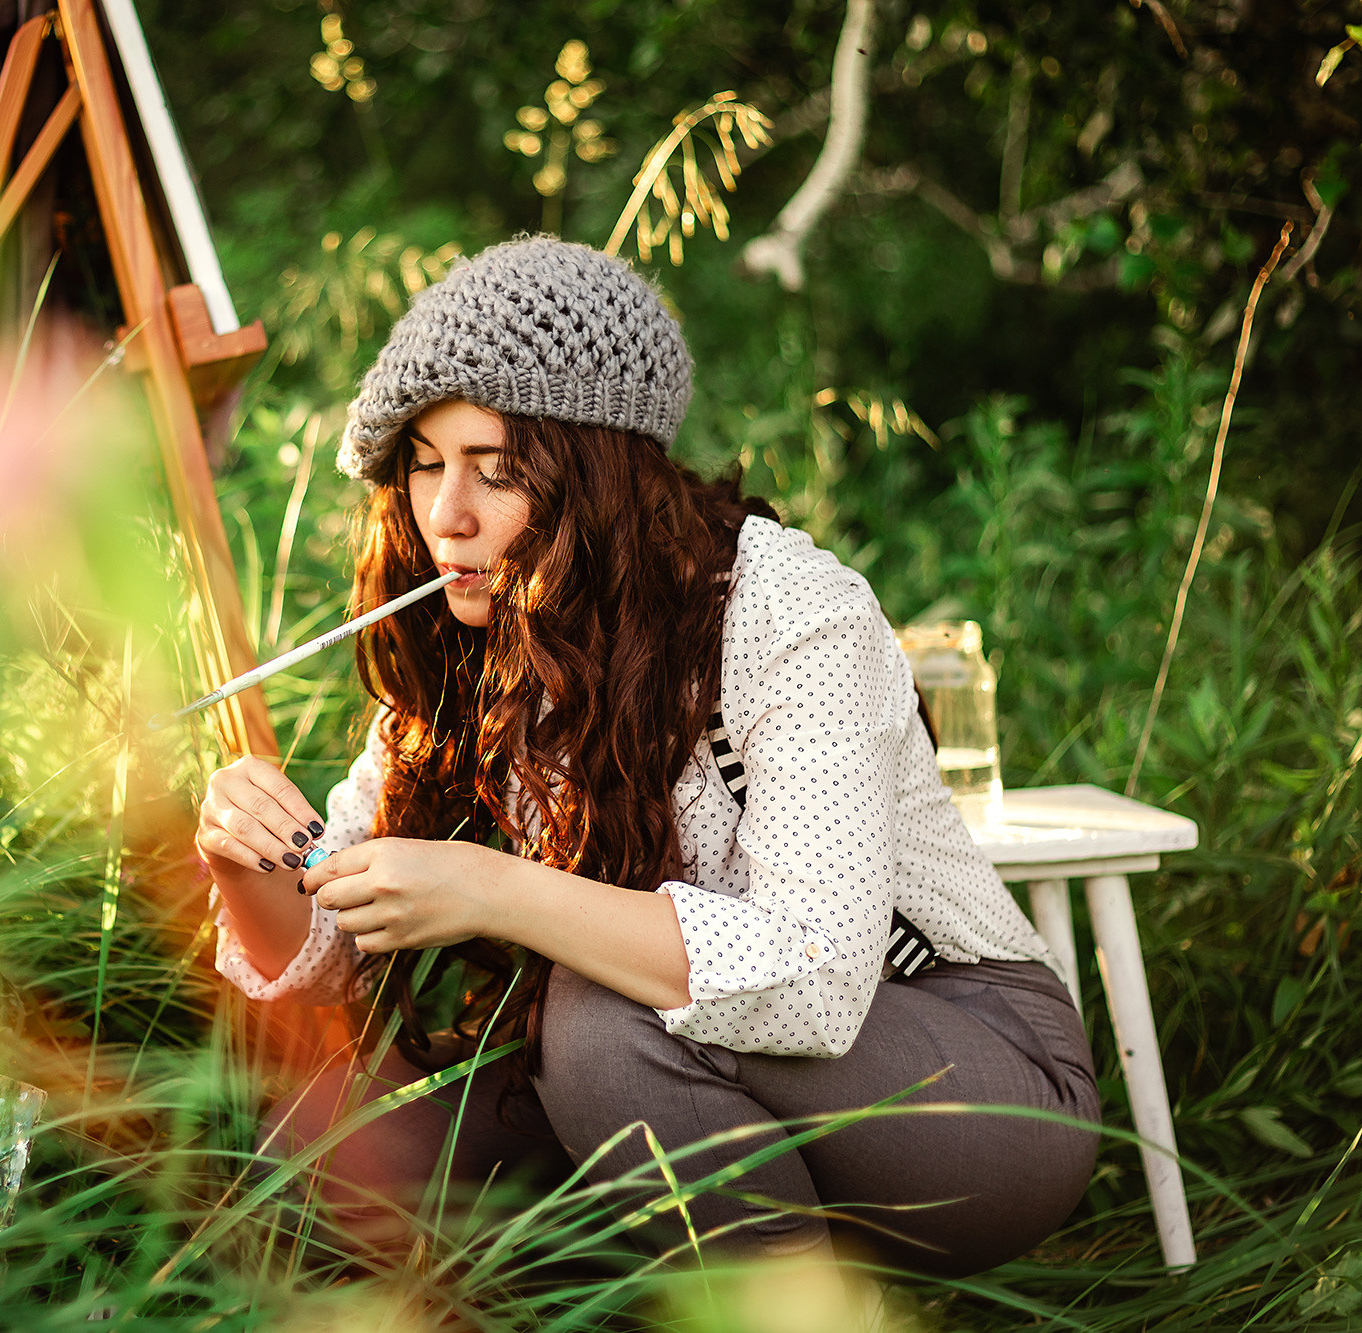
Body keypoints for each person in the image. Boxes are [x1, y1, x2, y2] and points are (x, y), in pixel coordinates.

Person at [195, 237, 1098, 1278]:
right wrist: (246, 861)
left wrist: (492, 887)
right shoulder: (480, 627)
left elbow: (812, 981)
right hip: (669, 1069)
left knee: (591, 1022)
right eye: (425, 465)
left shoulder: (791, 617)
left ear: (602, 475)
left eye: (496, 472)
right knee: (303, 1159)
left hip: (965, 1079)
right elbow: (322, 954)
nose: (446, 516)